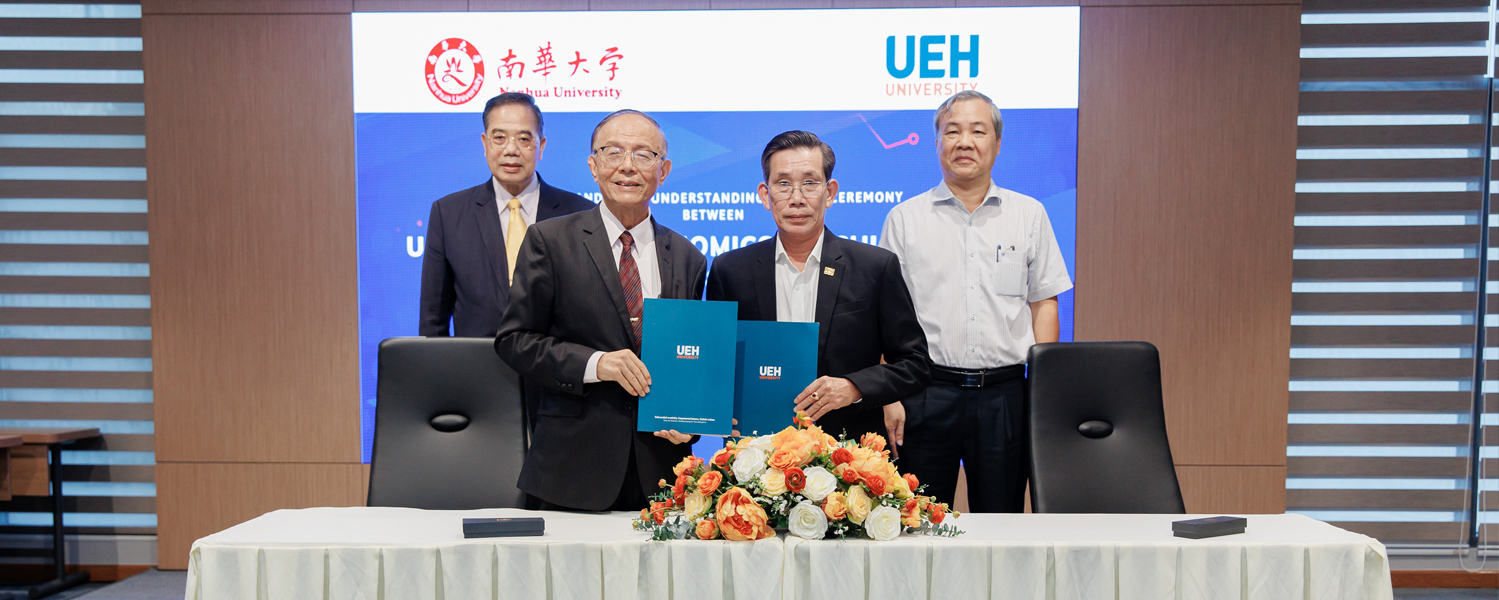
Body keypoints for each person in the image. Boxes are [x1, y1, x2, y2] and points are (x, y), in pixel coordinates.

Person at [495, 109, 706, 511]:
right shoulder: (550, 241)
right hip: (571, 469)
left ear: (665, 171)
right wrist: (596, 364)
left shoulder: (687, 257)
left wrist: (691, 424)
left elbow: (690, 358)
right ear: (593, 166)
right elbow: (514, 341)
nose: (628, 166)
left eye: (644, 155)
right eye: (614, 152)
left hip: (661, 474)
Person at [881, 91, 1072, 513]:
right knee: (918, 524)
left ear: (997, 143)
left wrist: (1041, 395)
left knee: (1002, 523)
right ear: (936, 143)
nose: (964, 141)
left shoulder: (1029, 214)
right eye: (952, 131)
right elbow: (887, 318)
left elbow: (1044, 304)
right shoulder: (905, 219)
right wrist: (888, 395)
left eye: (977, 131)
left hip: (1005, 397)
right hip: (925, 394)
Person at [706, 130, 931, 444]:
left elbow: (915, 364)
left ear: (830, 192)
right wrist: (718, 413)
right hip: (756, 452)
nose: (796, 198)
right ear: (764, 193)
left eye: (810, 183)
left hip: (850, 457)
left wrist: (853, 387)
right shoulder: (730, 270)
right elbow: (715, 364)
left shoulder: (874, 267)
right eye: (783, 183)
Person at [419, 92, 594, 338]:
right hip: (478, 370)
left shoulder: (580, 213)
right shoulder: (448, 214)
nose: (511, 150)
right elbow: (433, 320)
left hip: (555, 371)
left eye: (524, 138)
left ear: (541, 146)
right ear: (485, 143)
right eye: (499, 137)